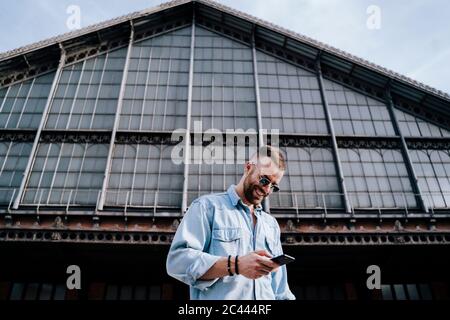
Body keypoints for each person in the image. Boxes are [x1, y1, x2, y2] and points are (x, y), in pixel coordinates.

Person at [166, 145, 295, 300]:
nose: (267, 190)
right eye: (264, 180)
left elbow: (280, 289)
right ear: (248, 167)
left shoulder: (271, 225)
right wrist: (236, 265)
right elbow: (177, 262)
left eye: (273, 186)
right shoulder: (207, 207)